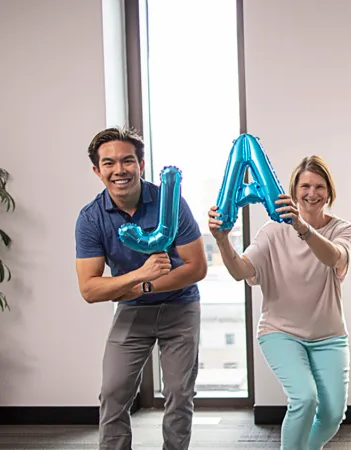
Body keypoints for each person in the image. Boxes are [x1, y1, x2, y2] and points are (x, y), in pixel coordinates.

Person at [208, 155, 351, 450]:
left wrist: (301, 227)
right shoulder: (271, 231)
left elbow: (332, 257)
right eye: (305, 186)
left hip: (329, 336)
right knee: (304, 398)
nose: (312, 193)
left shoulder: (344, 229)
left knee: (332, 416)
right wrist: (223, 241)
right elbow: (242, 271)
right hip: (280, 332)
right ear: (293, 191)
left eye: (319, 186)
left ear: (329, 191)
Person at [74, 127, 208, 450]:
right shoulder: (91, 219)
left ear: (141, 164)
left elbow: (197, 267)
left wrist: (143, 284)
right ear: (97, 171)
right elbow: (90, 289)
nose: (119, 170)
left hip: (180, 306)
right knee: (113, 392)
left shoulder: (171, 203)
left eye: (127, 161)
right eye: (109, 164)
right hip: (132, 310)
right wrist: (139, 277)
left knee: (178, 394)